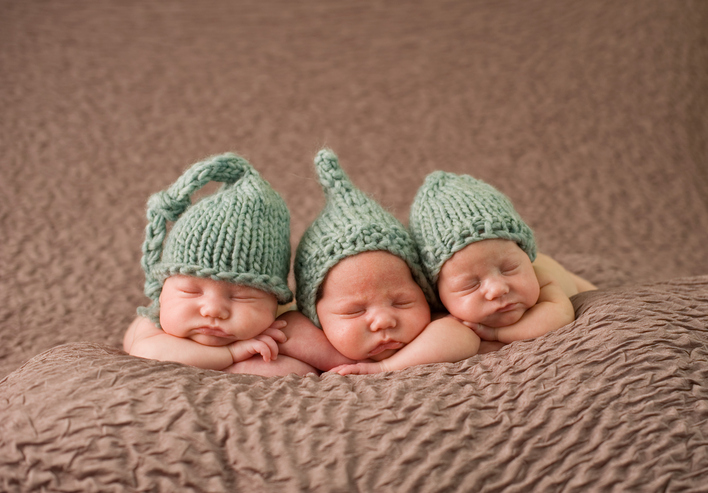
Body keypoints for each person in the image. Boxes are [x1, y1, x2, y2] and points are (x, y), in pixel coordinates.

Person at [273, 149, 482, 375]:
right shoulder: (310, 329)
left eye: (401, 302)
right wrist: (337, 359)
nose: (383, 321)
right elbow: (287, 329)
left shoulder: (436, 326)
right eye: (354, 311)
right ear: (315, 316)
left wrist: (385, 367)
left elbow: (464, 337)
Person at [123, 153, 316, 376]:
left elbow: (301, 369)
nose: (213, 310)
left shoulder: (280, 324)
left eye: (241, 296)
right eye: (190, 291)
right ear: (163, 291)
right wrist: (232, 355)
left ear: (275, 301)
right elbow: (146, 352)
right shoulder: (153, 323)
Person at [409, 171, 597, 345]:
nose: (498, 289)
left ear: (526, 255)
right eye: (471, 284)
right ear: (439, 296)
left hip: (566, 278)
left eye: (509, 269)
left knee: (588, 289)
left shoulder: (542, 279)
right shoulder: (439, 315)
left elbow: (559, 316)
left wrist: (496, 335)